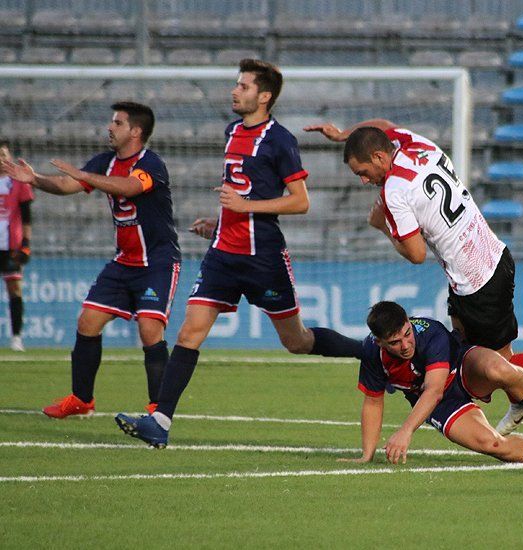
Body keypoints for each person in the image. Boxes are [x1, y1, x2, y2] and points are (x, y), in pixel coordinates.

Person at [304, 119, 523, 435]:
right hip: (491, 259)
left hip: (477, 285)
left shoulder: (395, 192)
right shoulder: (415, 144)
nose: (364, 180)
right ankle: (522, 402)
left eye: (362, 172)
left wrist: (382, 226)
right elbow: (383, 123)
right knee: (492, 365)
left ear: (378, 156)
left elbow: (416, 254)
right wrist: (345, 135)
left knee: (491, 370)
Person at [115, 59, 362, 448]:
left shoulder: (280, 140)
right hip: (222, 256)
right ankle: (160, 422)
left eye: (244, 86)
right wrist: (220, 223)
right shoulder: (231, 132)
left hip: (262, 258)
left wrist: (245, 209)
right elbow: (239, 194)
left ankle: (367, 352)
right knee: (189, 331)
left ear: (264, 97)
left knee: (296, 341)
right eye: (236, 84)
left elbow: (300, 203)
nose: (235, 91)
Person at [2, 102, 180, 417]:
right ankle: (82, 400)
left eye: (117, 122)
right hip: (125, 261)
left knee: (150, 330)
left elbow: (129, 186)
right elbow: (66, 184)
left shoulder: (151, 164)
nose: (110, 127)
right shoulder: (104, 162)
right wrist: (35, 179)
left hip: (158, 262)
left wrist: (84, 174)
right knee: (88, 321)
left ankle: (158, 410)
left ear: (135, 131)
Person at [343, 300, 523, 465]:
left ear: (409, 323)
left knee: (498, 368)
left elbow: (434, 390)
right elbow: (373, 401)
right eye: (395, 343)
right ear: (380, 343)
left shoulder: (431, 334)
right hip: (443, 404)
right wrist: (367, 455)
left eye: (407, 334)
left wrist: (405, 431)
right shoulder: (372, 352)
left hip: (463, 368)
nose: (406, 344)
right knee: (493, 444)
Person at [0, 140, 34, 352]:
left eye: (4, 154)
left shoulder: (19, 182)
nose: (2, 159)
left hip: (11, 245)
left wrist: (26, 245)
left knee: (14, 288)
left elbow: (27, 216)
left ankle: (16, 337)